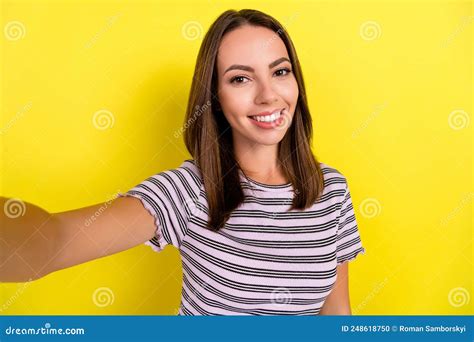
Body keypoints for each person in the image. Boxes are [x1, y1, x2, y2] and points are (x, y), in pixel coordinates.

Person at [0, 9, 365, 315]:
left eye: (280, 71)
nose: (268, 95)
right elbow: (49, 243)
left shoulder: (330, 189)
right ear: (216, 98)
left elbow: (336, 318)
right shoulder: (189, 190)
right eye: (240, 78)